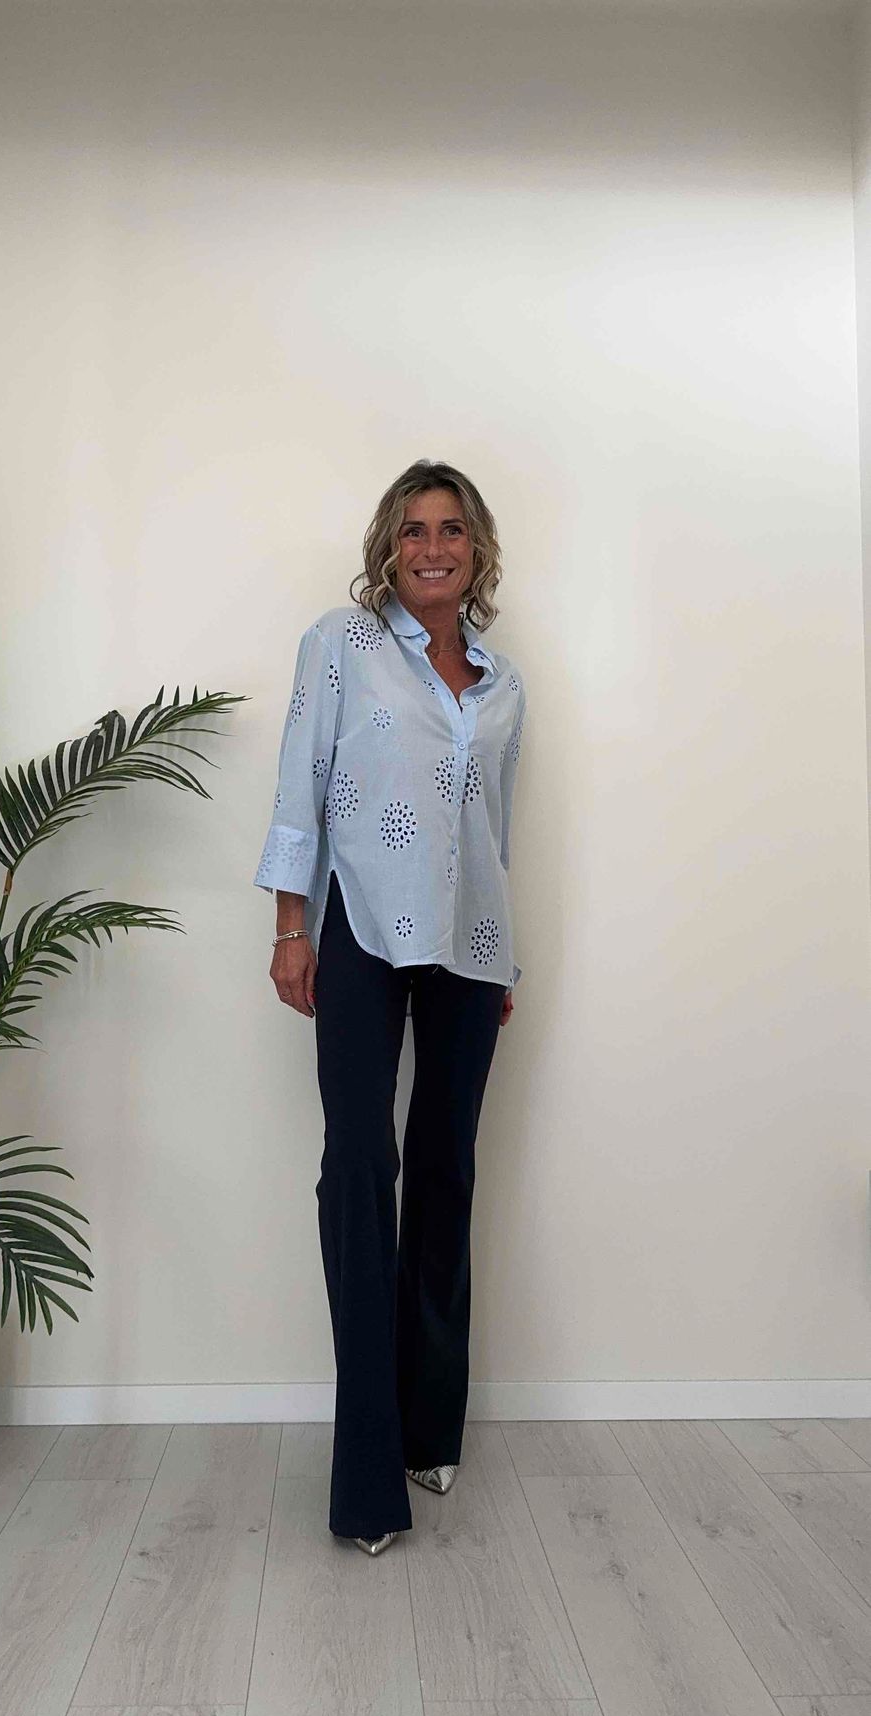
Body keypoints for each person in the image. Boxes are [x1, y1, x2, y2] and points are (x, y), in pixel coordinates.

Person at [252, 459, 526, 1556]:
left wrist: (500, 960)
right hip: (360, 930)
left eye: (450, 529)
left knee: (447, 1172)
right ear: (387, 547)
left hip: (469, 950)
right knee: (361, 1172)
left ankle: (427, 1428)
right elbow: (300, 783)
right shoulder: (341, 645)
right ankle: (367, 1471)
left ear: (476, 549)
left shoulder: (502, 685)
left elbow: (493, 831)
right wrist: (290, 928)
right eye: (413, 529)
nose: (431, 547)